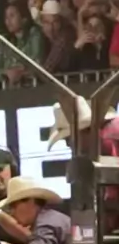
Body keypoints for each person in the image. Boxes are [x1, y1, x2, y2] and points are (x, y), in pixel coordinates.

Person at [47, 96, 119, 232]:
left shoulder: (106, 141)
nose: (68, 145)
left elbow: (112, 193)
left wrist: (103, 225)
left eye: (68, 138)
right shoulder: (112, 131)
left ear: (82, 132)